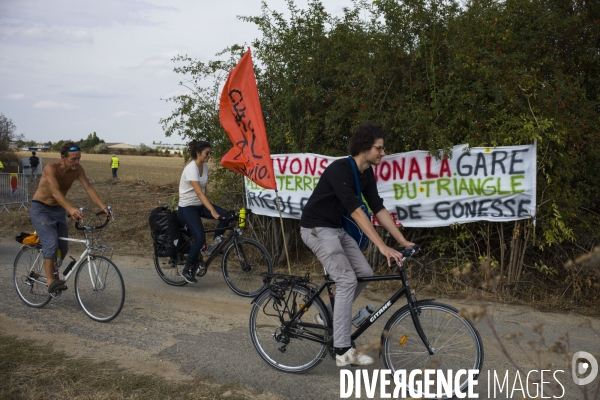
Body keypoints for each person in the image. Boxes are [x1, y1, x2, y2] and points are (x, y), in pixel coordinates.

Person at [300, 122, 414, 367]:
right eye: (379, 148)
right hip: (316, 228)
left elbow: (378, 208)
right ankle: (342, 350)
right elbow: (356, 212)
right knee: (346, 279)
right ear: (364, 148)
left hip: (336, 229)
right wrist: (382, 247)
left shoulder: (365, 173)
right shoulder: (340, 169)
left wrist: (402, 241)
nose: (383, 153)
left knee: (364, 273)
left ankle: (327, 315)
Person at [30, 142, 112, 293]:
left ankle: (52, 267)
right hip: (41, 209)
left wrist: (103, 206)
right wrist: (70, 208)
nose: (77, 162)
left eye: (79, 158)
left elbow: (88, 187)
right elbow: (54, 192)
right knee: (51, 244)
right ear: (63, 157)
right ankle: (50, 282)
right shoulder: (51, 169)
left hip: (58, 210)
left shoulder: (77, 170)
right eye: (73, 159)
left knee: (63, 247)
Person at [177, 140, 230, 283]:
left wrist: (209, 201)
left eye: (210, 153)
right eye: (207, 153)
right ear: (198, 153)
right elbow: (199, 192)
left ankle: (214, 246)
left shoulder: (204, 166)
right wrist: (211, 209)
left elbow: (204, 187)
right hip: (187, 207)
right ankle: (186, 269)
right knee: (200, 238)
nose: (209, 155)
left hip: (200, 204)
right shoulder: (191, 168)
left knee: (227, 216)